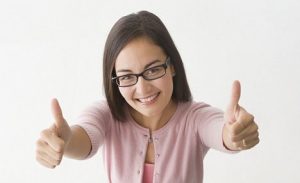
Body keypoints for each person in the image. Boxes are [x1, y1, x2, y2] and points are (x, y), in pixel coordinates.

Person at [35, 11, 259, 183]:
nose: (142, 89)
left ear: (171, 66)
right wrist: (65, 141)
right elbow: (83, 137)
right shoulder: (106, 115)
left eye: (153, 70)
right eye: (127, 76)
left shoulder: (195, 117)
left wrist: (233, 134)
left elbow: (220, 130)